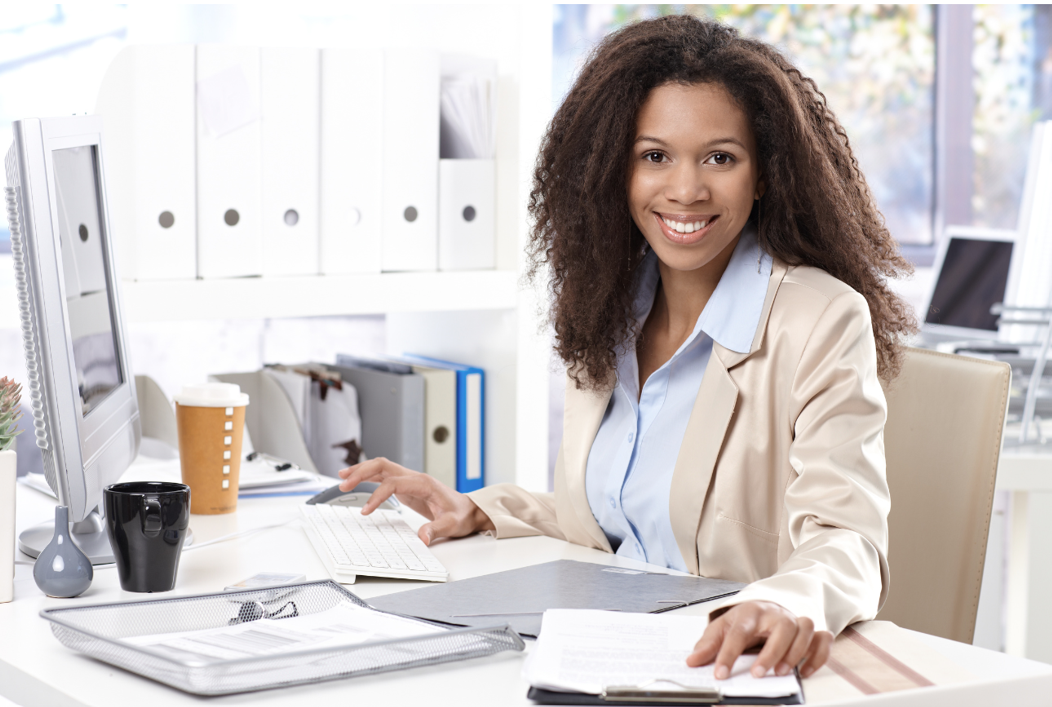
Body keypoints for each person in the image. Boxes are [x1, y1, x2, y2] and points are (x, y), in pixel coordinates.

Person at [339, 14, 916, 681]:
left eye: (720, 157)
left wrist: (787, 600)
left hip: (726, 670)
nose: (686, 189)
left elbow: (848, 537)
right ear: (618, 168)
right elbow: (621, 514)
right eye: (654, 155)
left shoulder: (818, 318)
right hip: (611, 659)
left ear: (764, 175)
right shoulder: (609, 306)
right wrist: (480, 507)